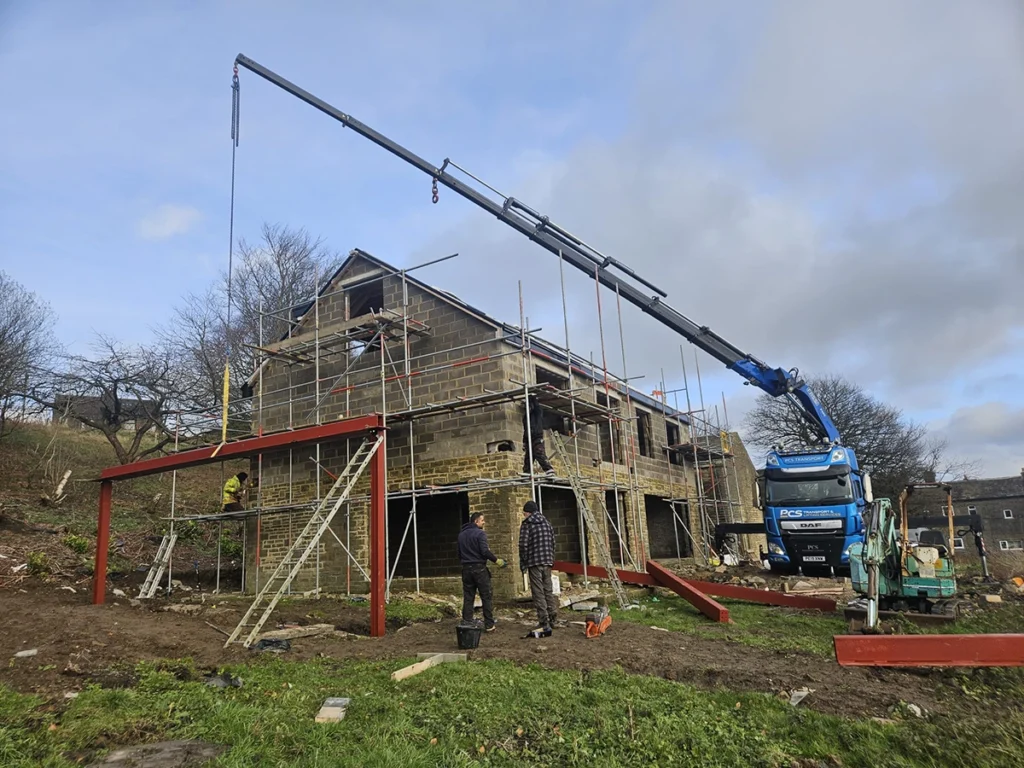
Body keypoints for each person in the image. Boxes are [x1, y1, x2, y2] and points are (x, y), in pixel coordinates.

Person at [457, 512, 506, 632]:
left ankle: (467, 621)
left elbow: (459, 554)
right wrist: (497, 560)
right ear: (476, 521)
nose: (484, 522)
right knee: (486, 596)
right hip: (479, 569)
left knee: (469, 596)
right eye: (482, 520)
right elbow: (484, 551)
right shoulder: (480, 534)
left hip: (466, 569)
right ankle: (489, 624)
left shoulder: (461, 535)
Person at [518, 500, 558, 634]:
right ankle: (553, 618)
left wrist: (523, 562)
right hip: (547, 561)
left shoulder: (527, 524)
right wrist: (550, 558)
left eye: (524, 513)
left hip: (534, 562)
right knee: (548, 590)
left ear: (528, 512)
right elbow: (553, 542)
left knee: (538, 592)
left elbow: (523, 545)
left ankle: (543, 620)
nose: (524, 516)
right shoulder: (547, 523)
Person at [522, 395, 555, 476]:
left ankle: (549, 469)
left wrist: (532, 398)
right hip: (529, 438)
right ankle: (527, 472)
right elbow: (525, 429)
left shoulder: (537, 413)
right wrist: (524, 442)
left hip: (537, 437)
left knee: (539, 453)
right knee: (528, 458)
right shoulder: (526, 417)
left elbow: (537, 407)